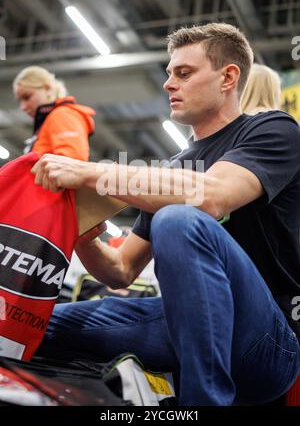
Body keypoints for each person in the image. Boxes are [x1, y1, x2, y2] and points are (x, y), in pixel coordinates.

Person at [32, 22, 300, 406]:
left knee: (179, 218)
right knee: (43, 322)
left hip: (266, 339)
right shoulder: (174, 168)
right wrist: (82, 230)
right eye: (169, 73)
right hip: (183, 323)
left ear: (228, 77)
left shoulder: (272, 130)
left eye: (184, 73)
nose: (168, 84)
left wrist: (92, 171)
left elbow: (210, 197)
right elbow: (119, 270)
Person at [13, 66, 96, 160]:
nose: (23, 107)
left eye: (27, 97)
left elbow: (72, 162)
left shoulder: (62, 115)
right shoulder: (48, 121)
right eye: (20, 101)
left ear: (47, 89)